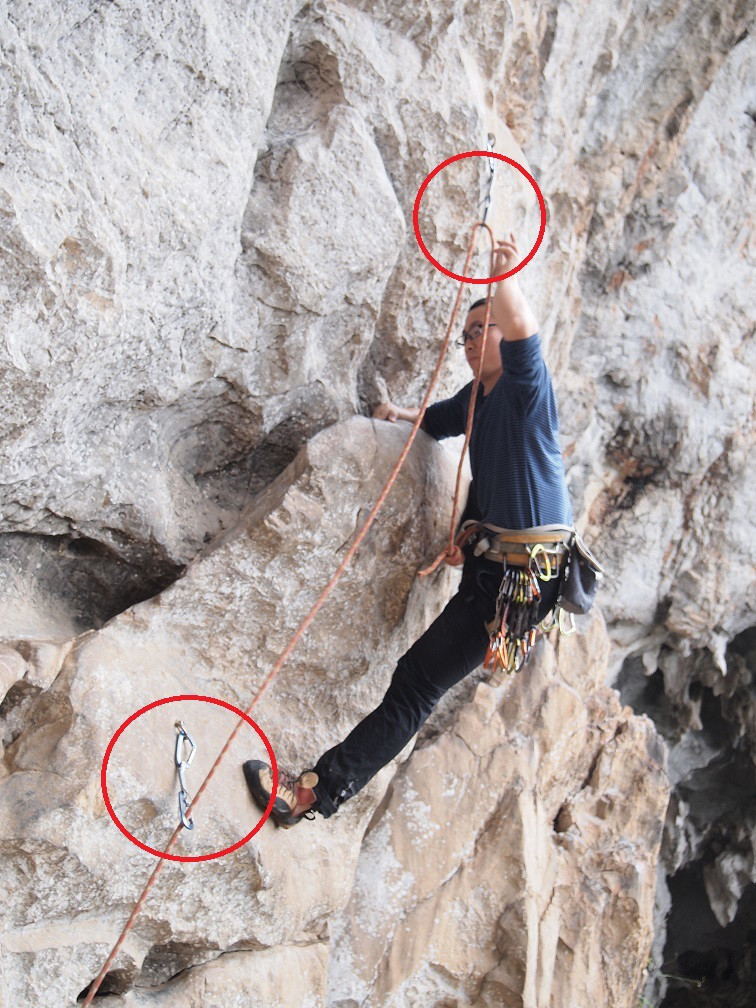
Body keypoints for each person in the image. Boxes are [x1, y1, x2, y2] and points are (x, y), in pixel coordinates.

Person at [243, 233, 574, 828]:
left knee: (417, 684)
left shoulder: (527, 390)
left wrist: (504, 279)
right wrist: (398, 416)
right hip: (496, 568)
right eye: (467, 334)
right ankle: (320, 789)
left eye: (484, 329)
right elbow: (439, 421)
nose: (472, 341)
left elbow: (524, 330)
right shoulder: (477, 397)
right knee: (416, 682)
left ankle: (315, 793)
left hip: (521, 580)